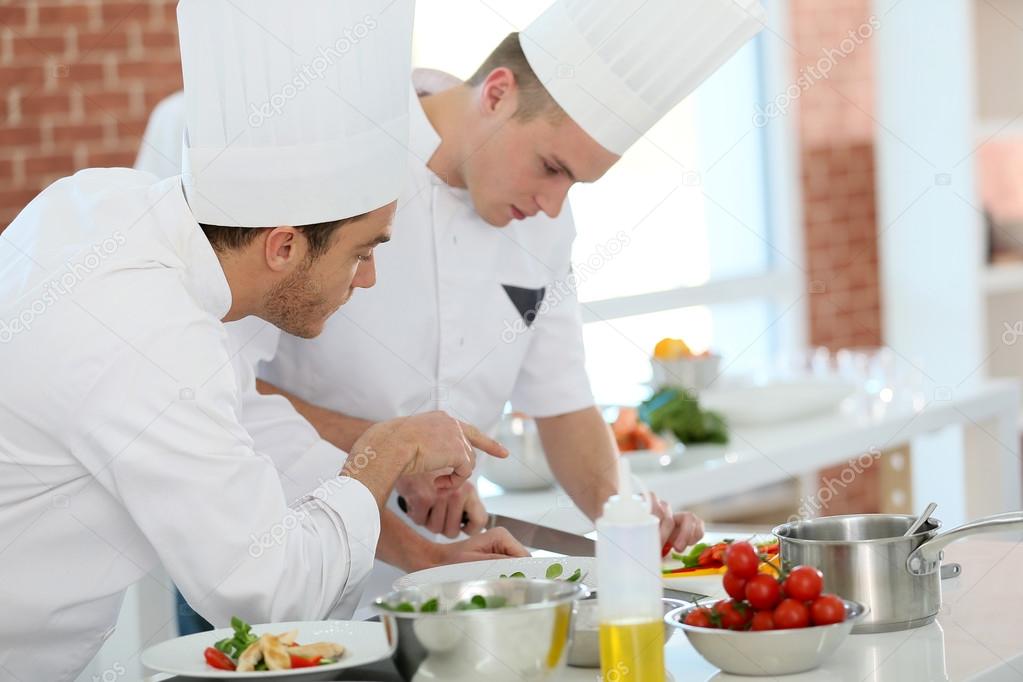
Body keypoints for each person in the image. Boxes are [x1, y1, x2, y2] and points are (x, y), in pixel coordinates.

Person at [136, 0, 765, 592]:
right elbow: (223, 388)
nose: (552, 203)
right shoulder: (343, 159)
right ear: (496, 94)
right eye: (552, 167)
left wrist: (626, 515)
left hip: (447, 571)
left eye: (577, 184)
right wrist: (395, 449)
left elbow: (563, 401)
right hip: (274, 554)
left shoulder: (545, 223)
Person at [0, 2, 521, 680]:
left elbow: (251, 429)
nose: (367, 281)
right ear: (283, 246)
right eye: (363, 253)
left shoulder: (120, 211)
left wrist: (422, 556)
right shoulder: (148, 336)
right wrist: (383, 450)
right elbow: (268, 593)